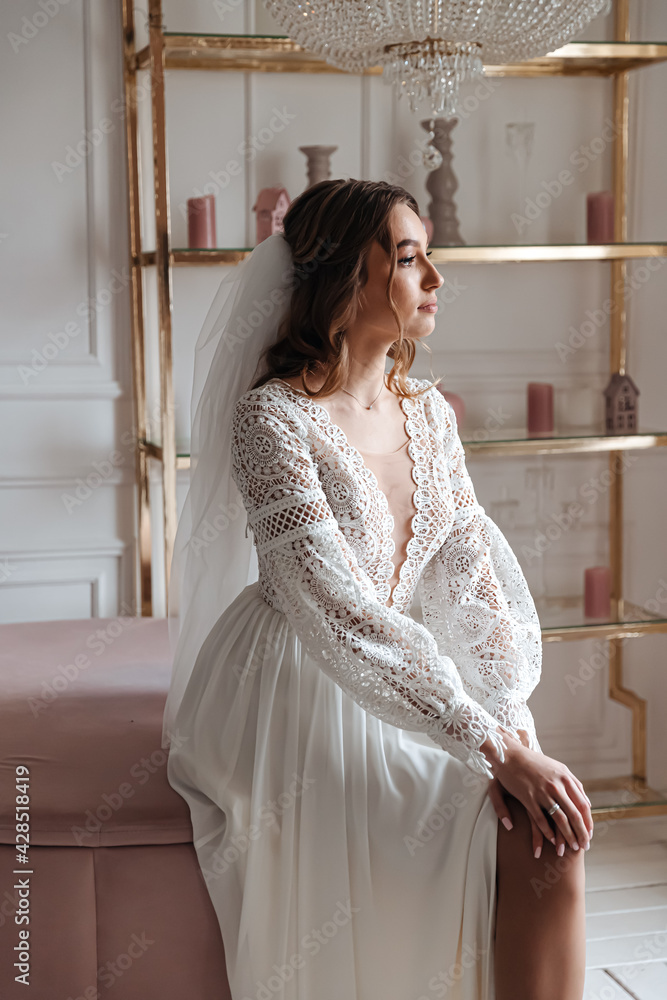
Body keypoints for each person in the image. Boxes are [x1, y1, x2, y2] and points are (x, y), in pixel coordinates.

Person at [164, 178, 594, 1000]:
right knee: (500, 814)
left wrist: (508, 720)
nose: (434, 277)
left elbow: (469, 575)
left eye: (427, 254)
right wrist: (491, 748)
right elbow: (336, 613)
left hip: (412, 670)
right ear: (340, 280)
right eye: (405, 257)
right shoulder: (272, 421)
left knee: (553, 831)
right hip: (299, 677)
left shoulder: (429, 415)